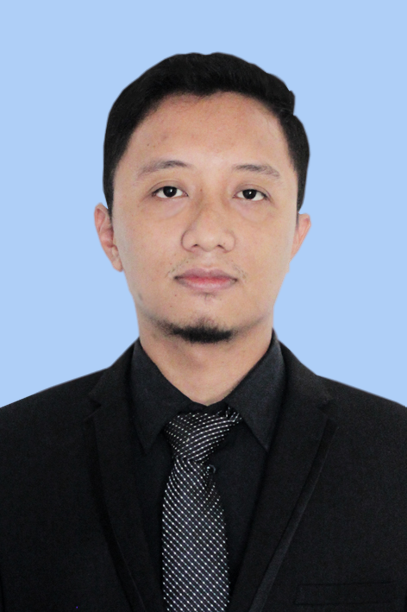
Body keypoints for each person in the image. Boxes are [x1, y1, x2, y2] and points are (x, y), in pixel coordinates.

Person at [0, 52, 406, 612]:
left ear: (296, 235)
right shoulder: (12, 460)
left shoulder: (397, 459)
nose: (208, 232)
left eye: (250, 193)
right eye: (169, 190)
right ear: (109, 234)